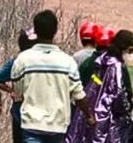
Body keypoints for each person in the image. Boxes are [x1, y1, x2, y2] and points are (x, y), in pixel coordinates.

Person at [11, 10, 96, 143]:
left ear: (36, 31)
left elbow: (18, 92)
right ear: (55, 31)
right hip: (58, 126)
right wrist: (89, 115)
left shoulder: (23, 60)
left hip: (31, 124)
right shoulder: (67, 62)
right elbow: (79, 95)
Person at [66, 29, 133, 143]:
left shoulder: (102, 61)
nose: (132, 55)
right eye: (131, 51)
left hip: (90, 113)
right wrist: (127, 110)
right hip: (105, 119)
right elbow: (118, 95)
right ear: (123, 48)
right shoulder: (116, 67)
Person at [0, 28, 38, 143]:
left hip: (21, 112)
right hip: (36, 114)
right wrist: (12, 90)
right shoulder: (20, 61)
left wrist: (11, 91)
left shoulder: (16, 61)